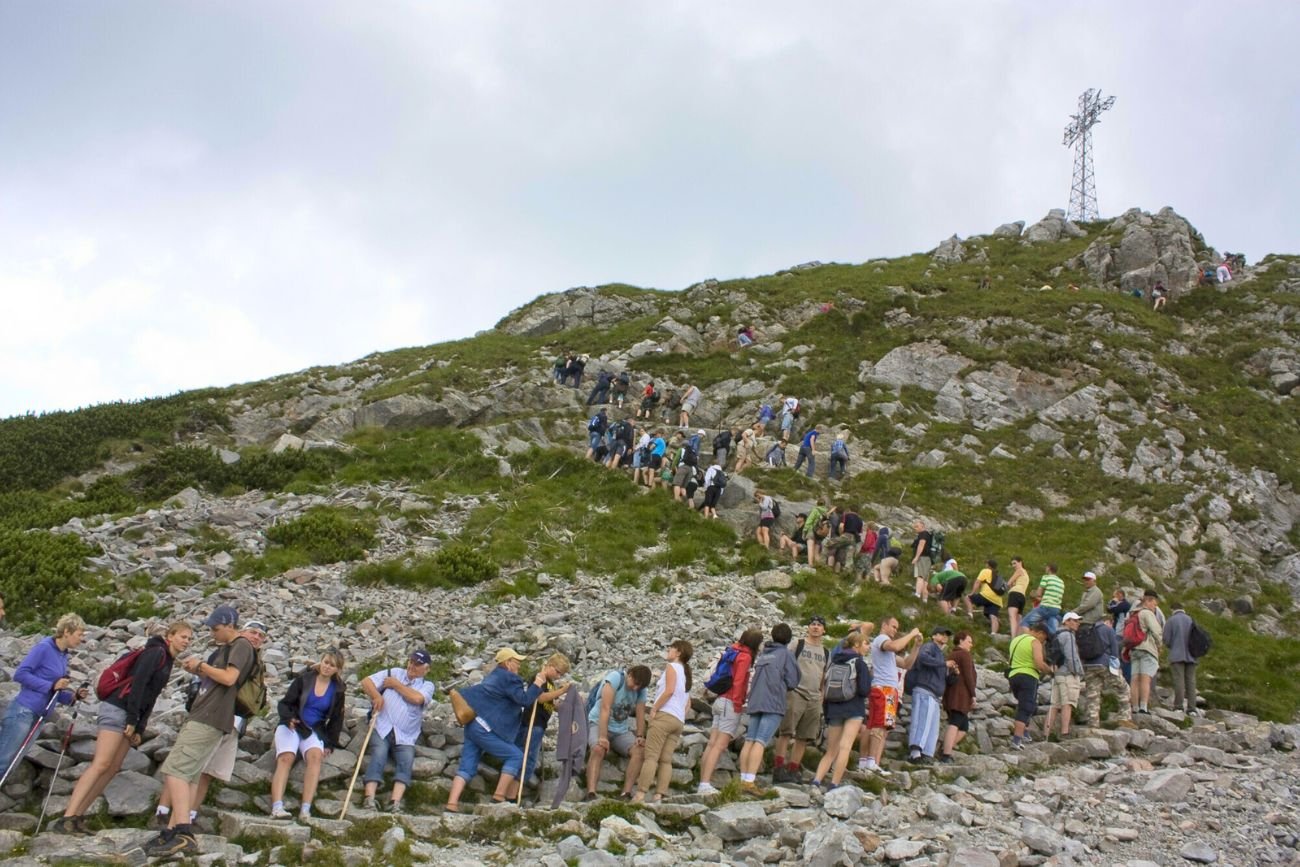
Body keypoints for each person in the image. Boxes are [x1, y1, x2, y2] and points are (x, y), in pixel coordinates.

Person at [53, 622, 192, 836]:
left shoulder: (167, 660)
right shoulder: (156, 653)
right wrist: (132, 719)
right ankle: (67, 817)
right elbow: (138, 685)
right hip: (118, 708)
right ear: (170, 636)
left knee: (112, 767)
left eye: (189, 639)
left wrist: (139, 727)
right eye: (183, 636)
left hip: (129, 714)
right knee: (102, 763)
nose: (187, 642)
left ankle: (78, 816)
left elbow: (151, 696)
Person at [144, 606, 255, 858]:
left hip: (209, 717)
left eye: (216, 628)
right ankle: (171, 832)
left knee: (175, 770)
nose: (212, 633)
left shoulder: (241, 645)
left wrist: (201, 665)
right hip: (206, 715)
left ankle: (183, 832)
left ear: (230, 625)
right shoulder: (226, 648)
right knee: (190, 775)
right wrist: (197, 670)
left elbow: (229, 678)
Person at [152, 620, 269, 829]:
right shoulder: (230, 652)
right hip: (212, 717)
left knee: (202, 771)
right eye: (253, 632)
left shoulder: (256, 662)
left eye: (261, 635)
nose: (256, 637)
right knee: (186, 769)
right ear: (241, 631)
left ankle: (185, 818)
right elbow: (216, 680)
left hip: (231, 723)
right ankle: (166, 813)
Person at [444, 649, 562, 812]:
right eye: (517, 662)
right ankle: (499, 797)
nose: (519, 666)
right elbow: (524, 700)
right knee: (516, 756)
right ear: (508, 663)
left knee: (466, 767)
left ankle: (451, 804)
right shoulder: (510, 678)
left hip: (473, 725)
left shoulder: (493, 676)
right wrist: (537, 683)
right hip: (486, 728)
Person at [0, 613, 87, 781]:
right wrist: (51, 685)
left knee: (12, 763)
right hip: (23, 711)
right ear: (67, 631)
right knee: (3, 761)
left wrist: (73, 697)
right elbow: (20, 674)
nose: (82, 639)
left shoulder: (63, 656)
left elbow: (54, 691)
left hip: (39, 717)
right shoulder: (44, 648)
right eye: (80, 634)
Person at [268, 649, 347, 820]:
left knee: (316, 758)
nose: (327, 667)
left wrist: (330, 743)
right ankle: (277, 807)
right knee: (286, 758)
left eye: (332, 665)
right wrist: (288, 718)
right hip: (293, 723)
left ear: (338, 670)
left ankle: (305, 809)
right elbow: (285, 703)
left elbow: (336, 719)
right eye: (326, 662)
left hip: (314, 729)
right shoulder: (304, 679)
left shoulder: (338, 690)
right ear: (320, 662)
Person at [360, 650, 436, 813]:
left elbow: (417, 698)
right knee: (379, 753)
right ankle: (369, 798)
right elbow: (366, 682)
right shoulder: (394, 672)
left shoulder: (427, 686)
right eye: (411, 662)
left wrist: (395, 685)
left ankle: (395, 802)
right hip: (382, 726)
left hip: (405, 735)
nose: (412, 666)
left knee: (406, 760)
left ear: (426, 669)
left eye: (417, 664)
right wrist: (376, 696)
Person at [737, 623, 800, 795]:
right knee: (761, 741)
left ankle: (742, 779)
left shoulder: (764, 653)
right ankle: (750, 781)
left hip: (756, 701)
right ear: (788, 639)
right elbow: (793, 680)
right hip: (773, 702)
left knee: (750, 739)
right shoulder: (786, 654)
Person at [697, 629, 762, 795]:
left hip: (719, 700)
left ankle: (702, 782)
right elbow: (738, 682)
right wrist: (738, 704)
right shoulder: (746, 657)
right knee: (719, 746)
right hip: (730, 703)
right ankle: (705, 784)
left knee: (711, 744)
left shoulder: (732, 651)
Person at [505, 653, 573, 803]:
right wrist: (562, 691)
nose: (558, 676)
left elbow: (551, 704)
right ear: (549, 666)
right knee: (526, 761)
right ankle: (510, 796)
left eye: (561, 674)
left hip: (539, 726)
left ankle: (511, 794)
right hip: (532, 724)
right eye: (558, 672)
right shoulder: (540, 678)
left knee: (527, 761)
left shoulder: (550, 684)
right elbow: (540, 698)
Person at [632, 641, 692, 804]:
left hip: (664, 715)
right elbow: (688, 703)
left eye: (671, 648)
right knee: (666, 759)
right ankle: (659, 795)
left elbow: (669, 690)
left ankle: (640, 795)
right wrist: (680, 714)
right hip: (678, 720)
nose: (669, 650)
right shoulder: (686, 674)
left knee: (651, 757)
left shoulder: (672, 667)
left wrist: (655, 708)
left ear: (678, 652)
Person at [810, 630, 871, 789]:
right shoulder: (860, 663)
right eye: (866, 643)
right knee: (845, 747)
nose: (868, 647)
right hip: (854, 709)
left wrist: (827, 712)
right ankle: (834, 783)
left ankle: (816, 780)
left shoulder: (834, 661)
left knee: (831, 750)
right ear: (856, 644)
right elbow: (864, 690)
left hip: (834, 708)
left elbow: (825, 686)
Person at [772, 617, 828, 784]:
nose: (816, 627)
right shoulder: (798, 644)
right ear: (808, 628)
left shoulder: (826, 652)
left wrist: (822, 694)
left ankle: (793, 769)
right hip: (796, 692)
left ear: (824, 630)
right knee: (786, 732)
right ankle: (778, 768)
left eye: (819, 625)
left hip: (814, 697)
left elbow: (824, 674)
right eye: (813, 624)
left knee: (804, 736)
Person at [862, 618, 922, 774]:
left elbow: (907, 664)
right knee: (879, 726)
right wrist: (911, 634)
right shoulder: (882, 639)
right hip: (883, 688)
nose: (895, 630)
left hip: (888, 690)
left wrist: (916, 646)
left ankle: (871, 762)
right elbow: (895, 646)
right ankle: (870, 762)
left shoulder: (888, 652)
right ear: (884, 625)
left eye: (897, 628)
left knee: (881, 727)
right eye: (893, 627)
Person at [583, 664, 651, 801]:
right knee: (598, 749)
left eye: (639, 687)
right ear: (630, 675)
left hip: (620, 730)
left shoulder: (641, 690)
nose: (635, 688)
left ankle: (625, 793)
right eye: (635, 683)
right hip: (597, 722)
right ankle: (591, 793)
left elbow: (640, 713)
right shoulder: (615, 678)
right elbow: (605, 708)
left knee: (639, 751)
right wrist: (603, 736)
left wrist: (640, 735)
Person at [904, 627, 950, 764]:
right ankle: (915, 753)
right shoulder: (929, 646)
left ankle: (926, 753)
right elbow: (922, 657)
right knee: (922, 721)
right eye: (941, 634)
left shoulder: (940, 654)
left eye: (946, 635)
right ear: (934, 636)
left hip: (934, 694)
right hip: (925, 689)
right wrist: (944, 664)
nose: (944, 637)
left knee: (931, 726)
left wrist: (953, 674)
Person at [1080, 618, 1134, 729]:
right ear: (1108, 621)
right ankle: (1124, 718)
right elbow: (1114, 650)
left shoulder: (1086, 630)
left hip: (1089, 665)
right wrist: (1117, 667)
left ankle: (1093, 722)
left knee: (1093, 694)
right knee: (1123, 688)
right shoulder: (1108, 629)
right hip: (1105, 664)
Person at [1008, 623, 1052, 749]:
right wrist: (1050, 671)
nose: (1043, 642)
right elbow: (1039, 663)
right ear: (1040, 633)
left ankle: (1025, 733)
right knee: (1026, 707)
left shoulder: (1016, 640)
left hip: (1013, 675)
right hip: (1028, 676)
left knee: (1025, 704)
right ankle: (1017, 740)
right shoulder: (1034, 642)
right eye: (1044, 638)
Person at [1043, 613, 1085, 740]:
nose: (1078, 623)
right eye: (1075, 620)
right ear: (1066, 621)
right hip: (1068, 674)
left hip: (1057, 674)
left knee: (1054, 705)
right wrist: (1077, 672)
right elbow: (1071, 656)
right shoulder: (1068, 635)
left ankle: (1046, 733)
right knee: (1068, 703)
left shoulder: (1056, 635)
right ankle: (1064, 733)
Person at [940, 631, 977, 763]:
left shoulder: (952, 654)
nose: (971, 644)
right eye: (969, 641)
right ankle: (946, 754)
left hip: (951, 694)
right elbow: (968, 676)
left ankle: (945, 748)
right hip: (960, 695)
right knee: (955, 723)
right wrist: (973, 695)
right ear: (961, 641)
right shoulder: (964, 654)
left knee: (963, 727)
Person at [1128, 591, 1164, 716]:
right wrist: (1159, 645)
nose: (1155, 606)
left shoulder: (1133, 613)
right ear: (1148, 601)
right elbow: (1156, 631)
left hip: (1134, 649)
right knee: (1145, 679)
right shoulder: (1147, 613)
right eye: (1154, 603)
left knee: (1134, 679)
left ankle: (1134, 707)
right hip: (1146, 648)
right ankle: (1143, 707)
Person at [1163, 604, 1199, 716]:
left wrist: (1172, 646)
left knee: (1179, 681)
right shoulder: (1191, 619)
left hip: (1176, 655)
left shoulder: (1171, 620)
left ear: (1172, 609)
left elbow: (1166, 639)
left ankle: (1178, 706)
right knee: (1191, 681)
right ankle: (1192, 709)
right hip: (1192, 655)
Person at [1020, 563, 1065, 636]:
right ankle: (1052, 638)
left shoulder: (1046, 577)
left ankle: (1029, 640)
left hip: (1045, 607)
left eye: (1046, 567)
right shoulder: (1061, 582)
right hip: (1056, 610)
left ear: (1048, 568)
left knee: (1025, 622)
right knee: (1051, 629)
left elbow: (1038, 593)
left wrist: (1033, 594)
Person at [965, 560, 1003, 634]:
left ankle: (970, 615)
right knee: (993, 615)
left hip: (986, 595)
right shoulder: (998, 576)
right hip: (997, 600)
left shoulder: (985, 571)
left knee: (968, 598)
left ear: (988, 565)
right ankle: (993, 634)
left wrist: (972, 593)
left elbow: (977, 582)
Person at [1005, 556, 1031, 636]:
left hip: (1015, 594)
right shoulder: (1026, 574)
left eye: (1015, 563)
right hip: (1022, 596)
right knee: (1019, 618)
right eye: (1012, 564)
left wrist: (1009, 586)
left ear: (1020, 562)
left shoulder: (1019, 570)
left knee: (1012, 617)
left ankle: (1013, 637)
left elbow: (1008, 583)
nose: (1013, 566)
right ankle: (1019, 637)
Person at [910, 520, 933, 602]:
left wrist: (916, 557)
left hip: (922, 558)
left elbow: (921, 545)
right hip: (928, 559)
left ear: (922, 526)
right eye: (914, 527)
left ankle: (917, 594)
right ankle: (924, 599)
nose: (915, 528)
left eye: (917, 526)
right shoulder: (928, 535)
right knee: (925, 580)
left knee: (920, 576)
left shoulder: (923, 534)